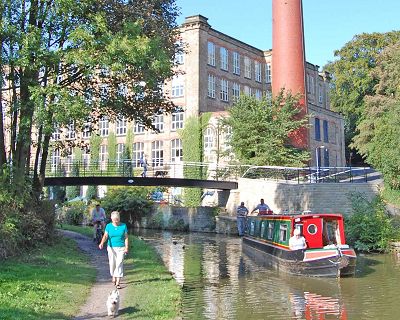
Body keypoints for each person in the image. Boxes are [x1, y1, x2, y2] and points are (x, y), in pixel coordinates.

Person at [99, 211, 129, 289]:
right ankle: (113, 275)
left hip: (121, 248)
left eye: (117, 219)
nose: (116, 221)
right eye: (115, 219)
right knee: (112, 264)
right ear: (112, 219)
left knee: (119, 264)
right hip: (111, 248)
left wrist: (126, 247)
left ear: (119, 218)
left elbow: (126, 237)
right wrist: (102, 243)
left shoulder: (123, 226)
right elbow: (105, 236)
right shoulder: (108, 226)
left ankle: (118, 283)